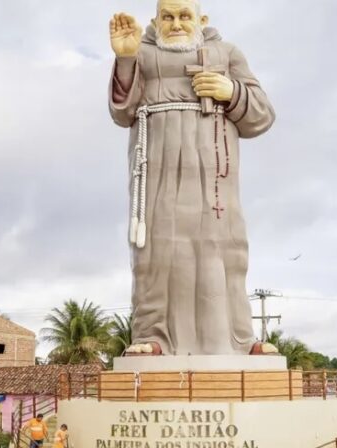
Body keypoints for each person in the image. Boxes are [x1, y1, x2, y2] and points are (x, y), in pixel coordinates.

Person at [109, 0, 277, 356]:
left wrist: (230, 92)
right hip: (156, 172)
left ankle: (239, 339)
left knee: (223, 250)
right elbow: (123, 112)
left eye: (184, 16)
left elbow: (262, 115)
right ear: (156, 20)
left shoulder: (227, 53)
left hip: (214, 175)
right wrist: (125, 59)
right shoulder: (140, 54)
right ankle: (152, 337)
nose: (176, 24)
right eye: (167, 17)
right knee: (155, 252)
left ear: (201, 20)